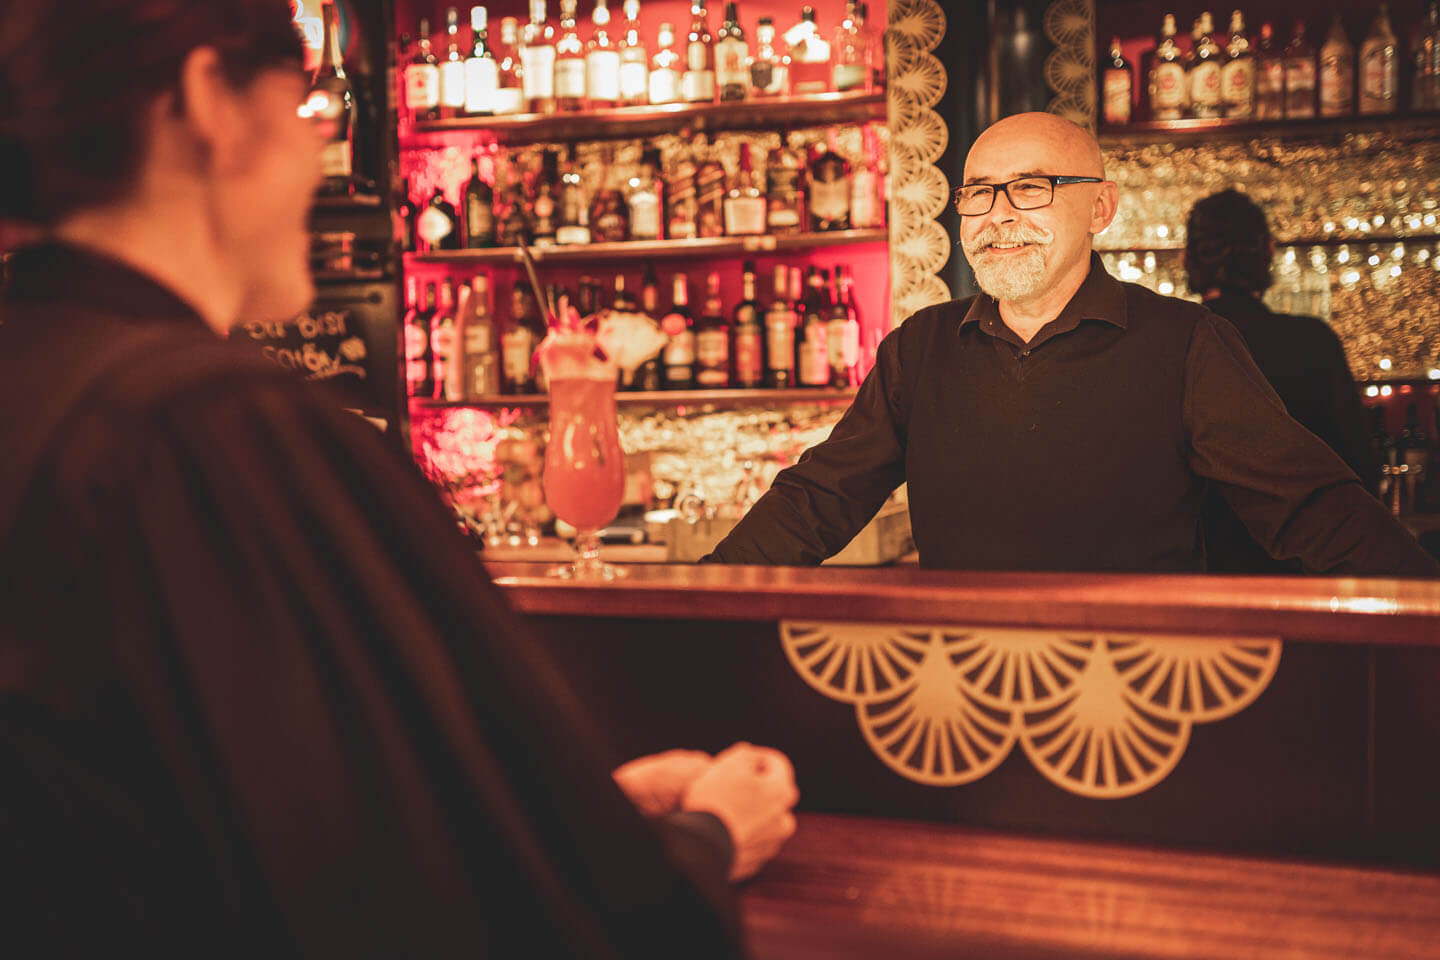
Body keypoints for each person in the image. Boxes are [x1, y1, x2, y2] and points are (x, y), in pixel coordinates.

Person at [0, 1, 796, 955]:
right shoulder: (213, 426)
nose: (319, 159)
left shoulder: (44, 385)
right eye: (305, 113)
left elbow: (216, 823)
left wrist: (570, 813)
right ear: (211, 99)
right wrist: (703, 840)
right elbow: (413, 914)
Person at [705, 112, 1439, 577]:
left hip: (1137, 693)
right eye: (978, 193)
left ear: (1101, 207)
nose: (998, 215)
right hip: (954, 685)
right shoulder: (919, 348)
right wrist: (699, 597)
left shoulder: (1186, 342)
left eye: (1032, 188)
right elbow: (816, 501)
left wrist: (1419, 618)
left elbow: (1312, 508)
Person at [1185, 189, 1383, 573]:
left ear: (1187, 258)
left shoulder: (1173, 342)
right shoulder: (1313, 341)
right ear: (1268, 251)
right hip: (1303, 569)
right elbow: (1359, 467)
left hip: (1199, 577)